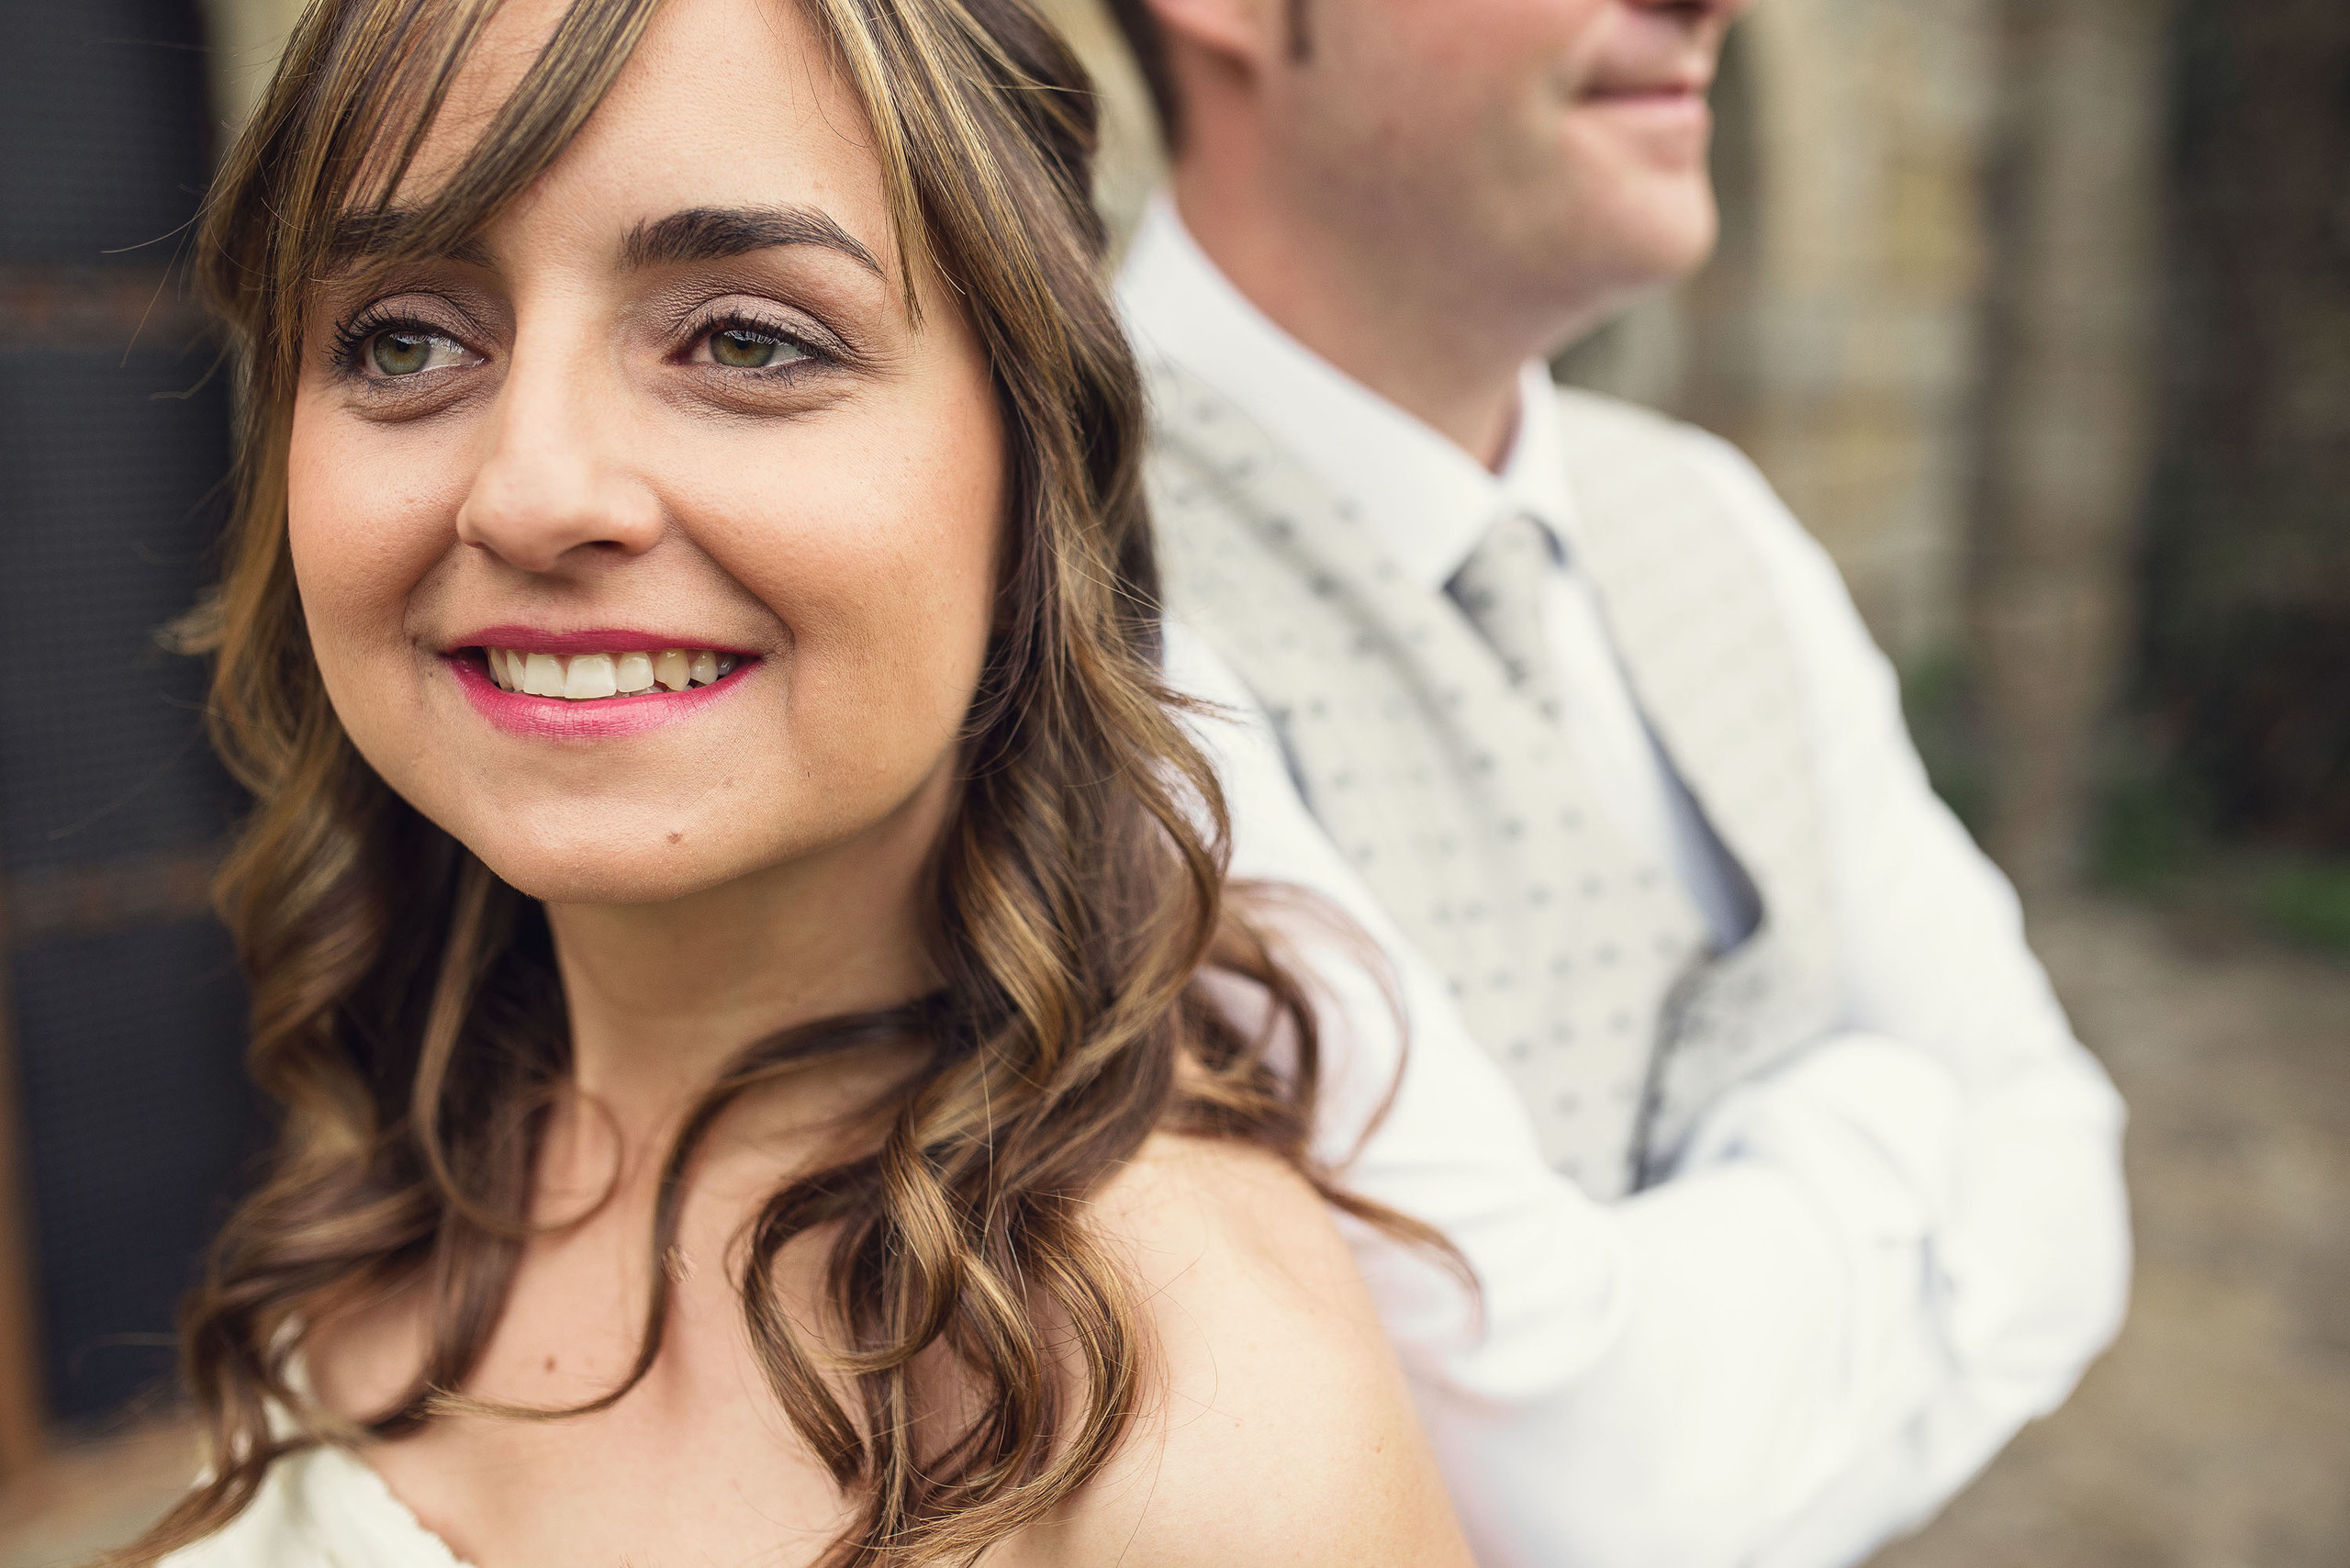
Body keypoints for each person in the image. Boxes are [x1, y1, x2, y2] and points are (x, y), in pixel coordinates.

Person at [124, 0, 1477, 1562]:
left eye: (749, 340)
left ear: (1036, 471)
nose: (534, 489)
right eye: (405, 341)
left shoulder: (1204, 1429)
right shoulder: (394, 1150)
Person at [1101, 0, 2134, 1562]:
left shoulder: (1713, 517)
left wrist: (1682, 1393)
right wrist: (1885, 1120)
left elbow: (2067, 1181)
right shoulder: (1063, 591)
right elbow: (1580, 1485)